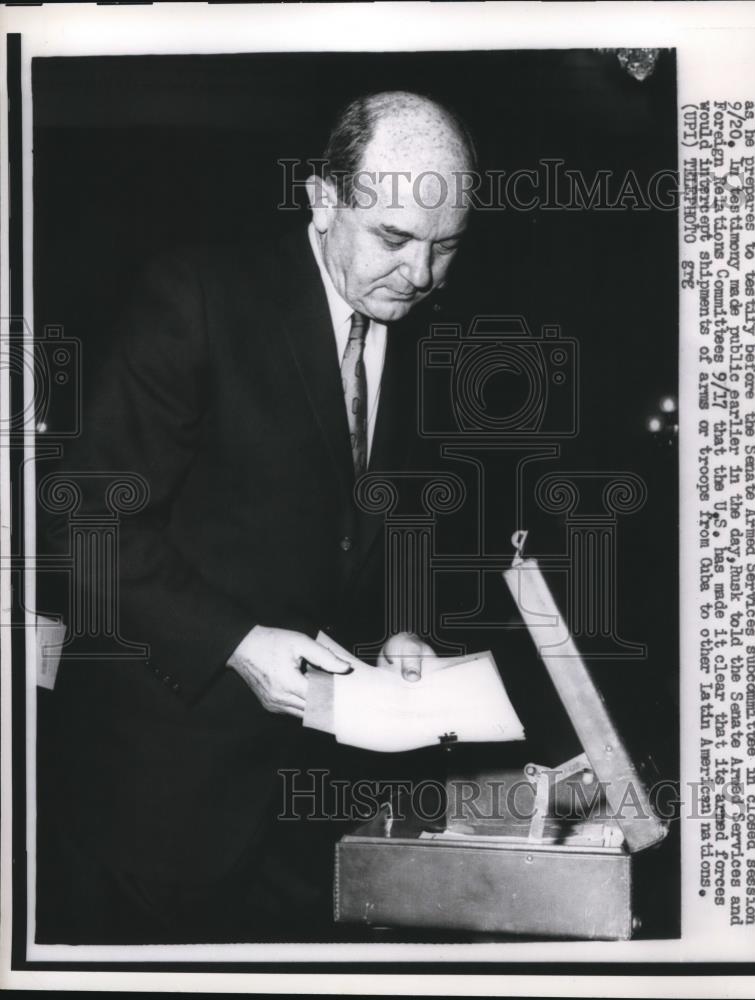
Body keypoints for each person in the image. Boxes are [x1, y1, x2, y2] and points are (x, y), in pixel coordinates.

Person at [39, 90, 476, 943]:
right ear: (323, 199)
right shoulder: (198, 295)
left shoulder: (427, 331)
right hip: (160, 804)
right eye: (393, 238)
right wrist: (238, 643)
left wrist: (402, 628)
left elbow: (381, 529)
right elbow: (84, 523)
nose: (421, 275)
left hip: (312, 812)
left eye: (446, 246)